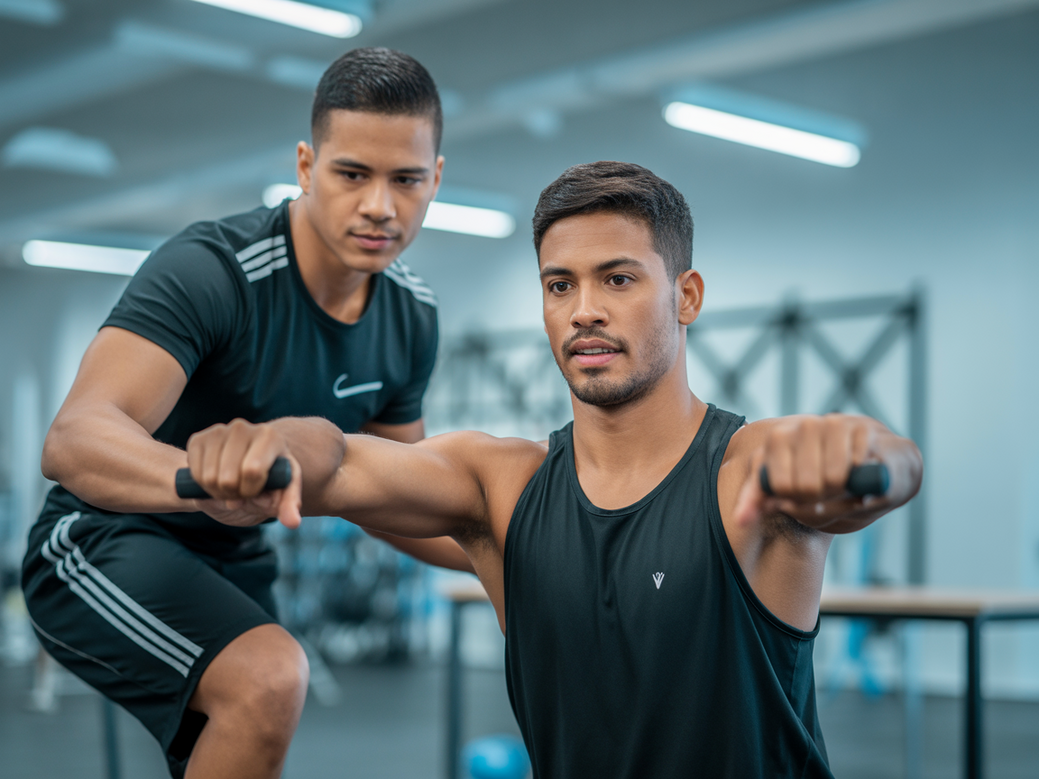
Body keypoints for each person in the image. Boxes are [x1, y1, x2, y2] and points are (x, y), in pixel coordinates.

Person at [184, 161, 924, 778]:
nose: (583, 311)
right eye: (559, 284)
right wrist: (269, 439)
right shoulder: (502, 485)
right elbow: (342, 459)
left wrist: (858, 452)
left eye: (618, 280)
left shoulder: (742, 472)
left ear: (685, 296)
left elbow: (888, 462)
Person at [21, 47, 472, 779]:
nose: (380, 206)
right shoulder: (215, 270)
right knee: (268, 677)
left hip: (234, 559)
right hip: (99, 539)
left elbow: (397, 496)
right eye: (352, 173)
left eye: (406, 179)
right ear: (305, 166)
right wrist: (203, 478)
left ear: (437, 179)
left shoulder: (411, 315)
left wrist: (533, 551)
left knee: (251, 725)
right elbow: (74, 440)